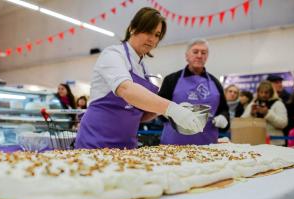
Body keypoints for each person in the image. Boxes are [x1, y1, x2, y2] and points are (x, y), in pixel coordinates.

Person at [75, 7, 203, 149]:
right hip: (96, 142)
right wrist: (171, 108)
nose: (152, 39)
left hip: (126, 146)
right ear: (132, 28)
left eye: (157, 35)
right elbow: (126, 89)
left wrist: (173, 112)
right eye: (148, 31)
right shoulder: (112, 54)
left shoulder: (144, 69)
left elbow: (142, 115)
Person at [158, 39, 230, 145]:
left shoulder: (215, 82)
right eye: (195, 52)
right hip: (174, 144)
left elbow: (224, 109)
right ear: (187, 56)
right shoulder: (171, 79)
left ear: (207, 57)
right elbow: (159, 106)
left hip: (208, 146)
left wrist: (223, 118)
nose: (199, 55)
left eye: (203, 52)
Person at [241, 80, 288, 146]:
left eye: (266, 93)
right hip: (256, 143)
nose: (263, 95)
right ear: (258, 92)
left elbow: (283, 124)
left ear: (271, 93)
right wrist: (251, 114)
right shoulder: (253, 104)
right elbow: (241, 121)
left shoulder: (278, 104)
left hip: (275, 143)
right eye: (261, 92)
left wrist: (267, 113)